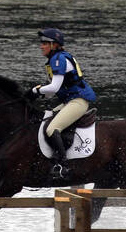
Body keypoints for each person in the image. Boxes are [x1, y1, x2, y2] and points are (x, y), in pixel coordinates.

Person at [29, 27, 97, 180]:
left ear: (54, 45)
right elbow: (53, 91)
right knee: (45, 119)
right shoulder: (56, 59)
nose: (41, 46)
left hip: (78, 101)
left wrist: (34, 91)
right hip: (70, 101)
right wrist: (37, 95)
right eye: (42, 43)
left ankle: (63, 164)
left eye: (45, 43)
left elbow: (54, 87)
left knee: (52, 128)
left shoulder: (58, 59)